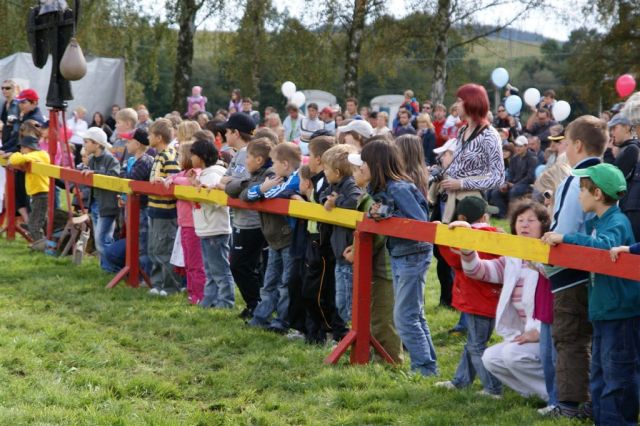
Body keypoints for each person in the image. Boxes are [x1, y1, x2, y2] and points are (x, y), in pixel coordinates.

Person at [542, 163, 640, 425]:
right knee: (598, 374)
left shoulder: (616, 222)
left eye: (582, 190)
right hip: (603, 311)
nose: (578, 195)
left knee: (617, 376)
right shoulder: (598, 222)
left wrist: (567, 238)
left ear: (597, 194)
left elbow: (603, 248)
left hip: (619, 313)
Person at [543, 115, 606, 419]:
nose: (565, 150)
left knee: (569, 338)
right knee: (596, 339)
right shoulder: (610, 174)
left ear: (578, 145)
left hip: (571, 272)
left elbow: (564, 227)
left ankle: (568, 406)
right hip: (603, 271)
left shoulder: (575, 179)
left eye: (566, 143)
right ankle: (595, 401)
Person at [455, 201, 552, 401]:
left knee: (511, 355)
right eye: (520, 220)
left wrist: (540, 331)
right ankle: (532, 394)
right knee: (491, 358)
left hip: (550, 333)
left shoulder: (551, 256)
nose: (524, 225)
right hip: (523, 333)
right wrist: (467, 250)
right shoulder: (512, 258)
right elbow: (477, 270)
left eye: (531, 221)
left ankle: (552, 395)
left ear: (543, 225)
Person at [362, 138, 437, 377]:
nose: (360, 168)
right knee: (414, 314)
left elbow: (418, 223)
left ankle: (424, 369)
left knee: (404, 317)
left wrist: (386, 213)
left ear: (376, 165)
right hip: (400, 254)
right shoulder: (385, 189)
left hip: (412, 256)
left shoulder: (398, 188)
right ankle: (428, 367)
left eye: (364, 163)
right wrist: (378, 212)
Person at [435, 196, 502, 398]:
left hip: (476, 301)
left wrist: (441, 237)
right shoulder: (496, 236)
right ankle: (461, 380)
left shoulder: (463, 239)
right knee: (474, 342)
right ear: (484, 217)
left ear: (461, 217)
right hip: (492, 299)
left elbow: (454, 261)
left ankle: (493, 388)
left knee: (476, 345)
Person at [345, 152, 403, 362]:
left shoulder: (374, 199)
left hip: (384, 267)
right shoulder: (368, 195)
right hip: (376, 265)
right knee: (374, 313)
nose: (354, 174)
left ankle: (390, 360)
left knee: (382, 316)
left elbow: (376, 236)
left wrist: (358, 251)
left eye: (357, 169)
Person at [246, 142, 301, 333]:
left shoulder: (295, 179)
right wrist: (260, 190)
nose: (272, 166)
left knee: (286, 282)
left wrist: (263, 190)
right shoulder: (280, 178)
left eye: (275, 162)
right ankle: (261, 316)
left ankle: (282, 320)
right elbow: (250, 195)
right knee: (270, 280)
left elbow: (271, 194)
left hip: (289, 238)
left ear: (285, 164)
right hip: (275, 239)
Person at [216, 113, 264, 318]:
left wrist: (226, 183)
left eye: (227, 131)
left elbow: (238, 183)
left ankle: (256, 305)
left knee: (240, 265)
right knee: (243, 265)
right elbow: (225, 179)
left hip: (251, 221)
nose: (225, 135)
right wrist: (226, 182)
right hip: (241, 219)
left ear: (236, 132)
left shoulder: (246, 153)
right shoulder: (237, 153)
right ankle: (255, 305)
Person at [300, 136, 347, 344]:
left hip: (323, 241)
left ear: (318, 159)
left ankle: (327, 332)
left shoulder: (326, 181)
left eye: (309, 155)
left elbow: (327, 204)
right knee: (311, 289)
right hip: (314, 238)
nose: (307, 159)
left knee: (319, 290)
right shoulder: (319, 179)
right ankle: (314, 333)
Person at [439, 83, 505, 223]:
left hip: (472, 206)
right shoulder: (462, 130)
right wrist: (441, 171)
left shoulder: (490, 135)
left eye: (459, 101)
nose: (455, 106)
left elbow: (498, 178)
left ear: (471, 103)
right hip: (451, 199)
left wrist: (462, 184)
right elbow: (461, 166)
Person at [189, 139, 235, 308]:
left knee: (220, 269)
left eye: (193, 154)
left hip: (215, 228)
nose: (191, 158)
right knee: (210, 269)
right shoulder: (204, 173)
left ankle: (226, 301)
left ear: (201, 156)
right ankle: (210, 299)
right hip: (206, 228)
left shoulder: (214, 174)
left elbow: (218, 200)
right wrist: (196, 185)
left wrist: (200, 190)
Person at [321, 144, 362, 324]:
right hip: (339, 252)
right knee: (341, 300)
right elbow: (322, 196)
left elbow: (354, 200)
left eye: (326, 169)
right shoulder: (333, 185)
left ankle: (355, 337)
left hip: (348, 252)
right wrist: (327, 201)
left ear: (337, 172)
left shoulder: (350, 184)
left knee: (348, 301)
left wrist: (336, 203)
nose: (324, 172)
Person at [164, 141, 205, 305]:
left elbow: (188, 182)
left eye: (180, 155)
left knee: (196, 263)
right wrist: (169, 178)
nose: (178, 158)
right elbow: (175, 176)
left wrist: (174, 180)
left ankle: (200, 296)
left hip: (193, 224)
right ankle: (191, 294)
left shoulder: (196, 173)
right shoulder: (184, 173)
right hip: (185, 224)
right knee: (188, 262)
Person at [147, 118, 182, 296]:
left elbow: (174, 180)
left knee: (164, 249)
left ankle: (169, 286)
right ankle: (157, 283)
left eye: (150, 135)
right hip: (154, 208)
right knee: (154, 249)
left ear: (159, 137)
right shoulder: (158, 156)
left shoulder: (169, 156)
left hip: (166, 211)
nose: (148, 137)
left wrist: (165, 182)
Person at [81, 127, 120, 270]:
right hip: (96, 204)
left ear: (97, 144)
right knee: (101, 239)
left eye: (87, 142)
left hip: (107, 206)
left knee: (102, 239)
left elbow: (115, 177)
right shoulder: (91, 159)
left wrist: (95, 173)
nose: (84, 145)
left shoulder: (110, 159)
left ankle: (113, 268)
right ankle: (106, 268)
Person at [7, 134, 50, 242]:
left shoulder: (38, 155)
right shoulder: (36, 155)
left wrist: (12, 156)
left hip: (41, 193)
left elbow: (17, 159)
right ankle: (42, 243)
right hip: (37, 193)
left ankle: (42, 246)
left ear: (28, 147)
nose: (21, 150)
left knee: (34, 224)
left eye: (22, 148)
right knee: (35, 221)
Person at [606, 114, 640, 241]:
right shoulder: (628, 148)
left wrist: (608, 153)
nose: (612, 132)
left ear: (626, 128)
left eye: (615, 128)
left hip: (630, 212)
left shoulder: (632, 149)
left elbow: (611, 180)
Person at [489, 135, 537, 218]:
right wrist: (506, 184)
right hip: (514, 183)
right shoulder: (515, 158)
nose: (518, 148)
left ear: (526, 146)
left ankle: (512, 215)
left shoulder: (532, 158)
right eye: (516, 146)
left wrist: (515, 184)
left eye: (520, 146)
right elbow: (510, 174)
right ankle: (503, 215)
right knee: (496, 192)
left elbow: (530, 177)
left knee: (514, 191)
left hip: (526, 184)